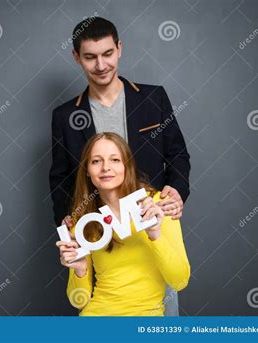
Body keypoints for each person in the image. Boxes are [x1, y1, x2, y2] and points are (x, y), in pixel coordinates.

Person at [49, 17, 191, 315]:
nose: (101, 65)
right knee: (101, 298)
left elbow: (177, 154)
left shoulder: (153, 98)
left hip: (153, 225)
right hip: (101, 233)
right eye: (90, 57)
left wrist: (176, 192)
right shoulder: (65, 116)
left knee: (164, 301)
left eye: (107, 54)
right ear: (77, 57)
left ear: (119, 49)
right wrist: (71, 223)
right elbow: (60, 177)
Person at [55, 132, 190, 316]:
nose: (105, 168)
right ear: (87, 170)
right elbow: (78, 299)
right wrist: (80, 269)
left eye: (115, 160)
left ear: (127, 165)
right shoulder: (83, 221)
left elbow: (179, 281)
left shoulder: (158, 205)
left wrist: (155, 234)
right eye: (96, 161)